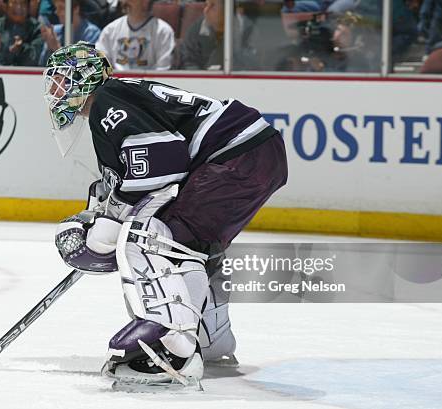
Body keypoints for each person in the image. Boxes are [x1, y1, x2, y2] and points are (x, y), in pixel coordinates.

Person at [43, 42, 288, 388]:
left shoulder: (107, 103)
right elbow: (145, 171)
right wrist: (106, 213)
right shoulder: (120, 97)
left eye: (60, 81)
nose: (54, 92)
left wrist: (109, 227)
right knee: (190, 242)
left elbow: (160, 164)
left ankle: (172, 351)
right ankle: (210, 337)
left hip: (235, 156)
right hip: (250, 151)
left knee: (149, 238)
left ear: (82, 79)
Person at [178, 0, 262, 70]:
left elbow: (253, 65)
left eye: (212, 6)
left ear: (228, 10)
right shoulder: (197, 27)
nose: (205, 10)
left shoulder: (248, 29)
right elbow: (188, 60)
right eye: (206, 5)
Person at [96, 0, 175, 70]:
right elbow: (101, 63)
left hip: (148, 84)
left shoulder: (163, 31)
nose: (124, 2)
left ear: (145, 1)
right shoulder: (110, 30)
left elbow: (163, 69)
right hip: (117, 83)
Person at [0, 0, 42, 66]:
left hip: (27, 76)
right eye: (14, 2)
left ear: (28, 7)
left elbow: (39, 58)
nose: (19, 7)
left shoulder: (37, 29)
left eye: (23, 3)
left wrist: (21, 49)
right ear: (5, 7)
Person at [39, 0, 101, 65]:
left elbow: (86, 65)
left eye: (61, 8)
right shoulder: (55, 31)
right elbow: (42, 65)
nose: (57, 12)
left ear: (76, 9)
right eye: (56, 8)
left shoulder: (92, 33)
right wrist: (49, 48)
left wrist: (57, 49)